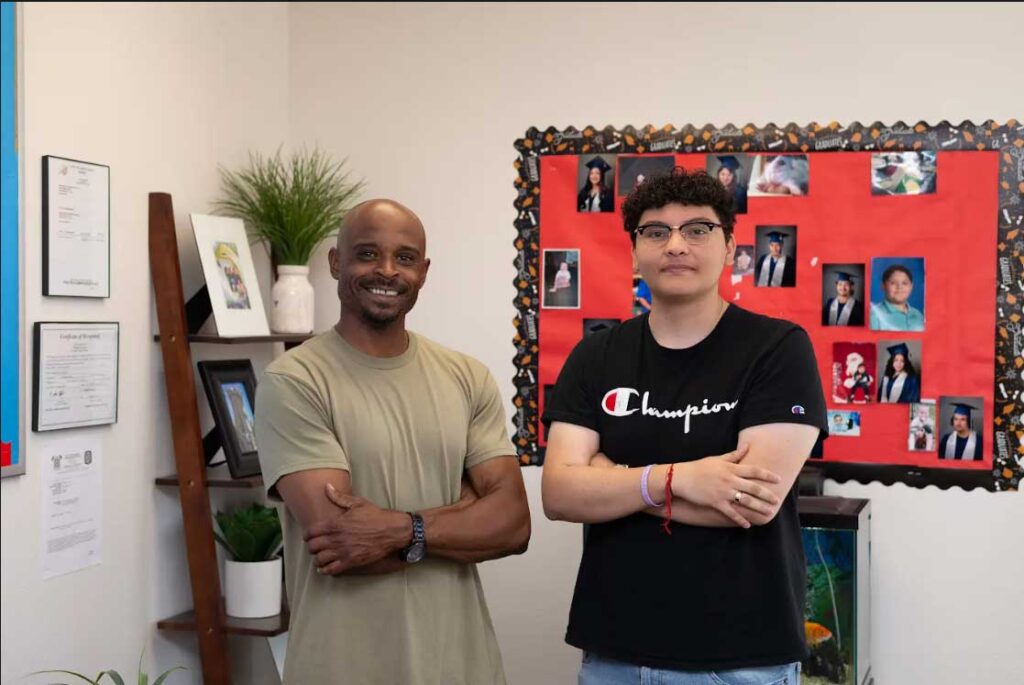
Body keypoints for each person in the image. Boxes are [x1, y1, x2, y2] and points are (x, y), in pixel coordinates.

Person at [542, 168, 827, 683]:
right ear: (633, 252)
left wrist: (615, 478)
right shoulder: (596, 355)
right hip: (614, 652)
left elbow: (751, 503)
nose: (675, 245)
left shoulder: (778, 349)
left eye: (697, 229)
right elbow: (560, 493)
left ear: (730, 246)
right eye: (656, 231)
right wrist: (681, 479)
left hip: (741, 658)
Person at [254, 199, 531, 684]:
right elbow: (341, 546)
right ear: (336, 262)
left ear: (423, 272)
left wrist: (401, 528)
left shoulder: (466, 376)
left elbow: (512, 526)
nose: (386, 270)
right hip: (344, 668)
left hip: (462, 666)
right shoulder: (294, 381)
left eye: (404, 258)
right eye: (366, 254)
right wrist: (463, 514)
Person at [870, 264, 925, 331]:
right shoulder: (874, 315)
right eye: (893, 283)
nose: (899, 287)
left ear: (911, 286)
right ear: (883, 285)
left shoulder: (918, 315)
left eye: (904, 283)